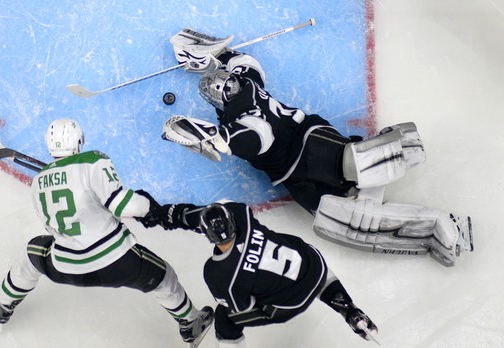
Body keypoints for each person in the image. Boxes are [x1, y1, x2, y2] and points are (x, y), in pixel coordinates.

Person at [161, 28, 473, 267]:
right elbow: (240, 60)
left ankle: (389, 158)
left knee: (349, 164)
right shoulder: (248, 81)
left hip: (308, 147)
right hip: (299, 171)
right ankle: (428, 224)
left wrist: (181, 128)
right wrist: (203, 54)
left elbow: (224, 140)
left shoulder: (248, 127)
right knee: (336, 219)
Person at [0, 118, 213, 347]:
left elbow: (52, 227)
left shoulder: (37, 182)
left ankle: (1, 308)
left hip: (65, 268)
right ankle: (190, 323)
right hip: (117, 263)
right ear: (79, 141)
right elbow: (125, 205)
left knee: (32, 252)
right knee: (162, 276)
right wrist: (150, 208)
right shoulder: (93, 161)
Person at [159, 200, 378, 347]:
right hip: (313, 265)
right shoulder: (241, 214)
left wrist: (175, 215)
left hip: (290, 303)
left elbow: (242, 307)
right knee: (307, 266)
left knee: (226, 319)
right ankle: (348, 308)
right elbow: (219, 208)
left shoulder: (217, 273)